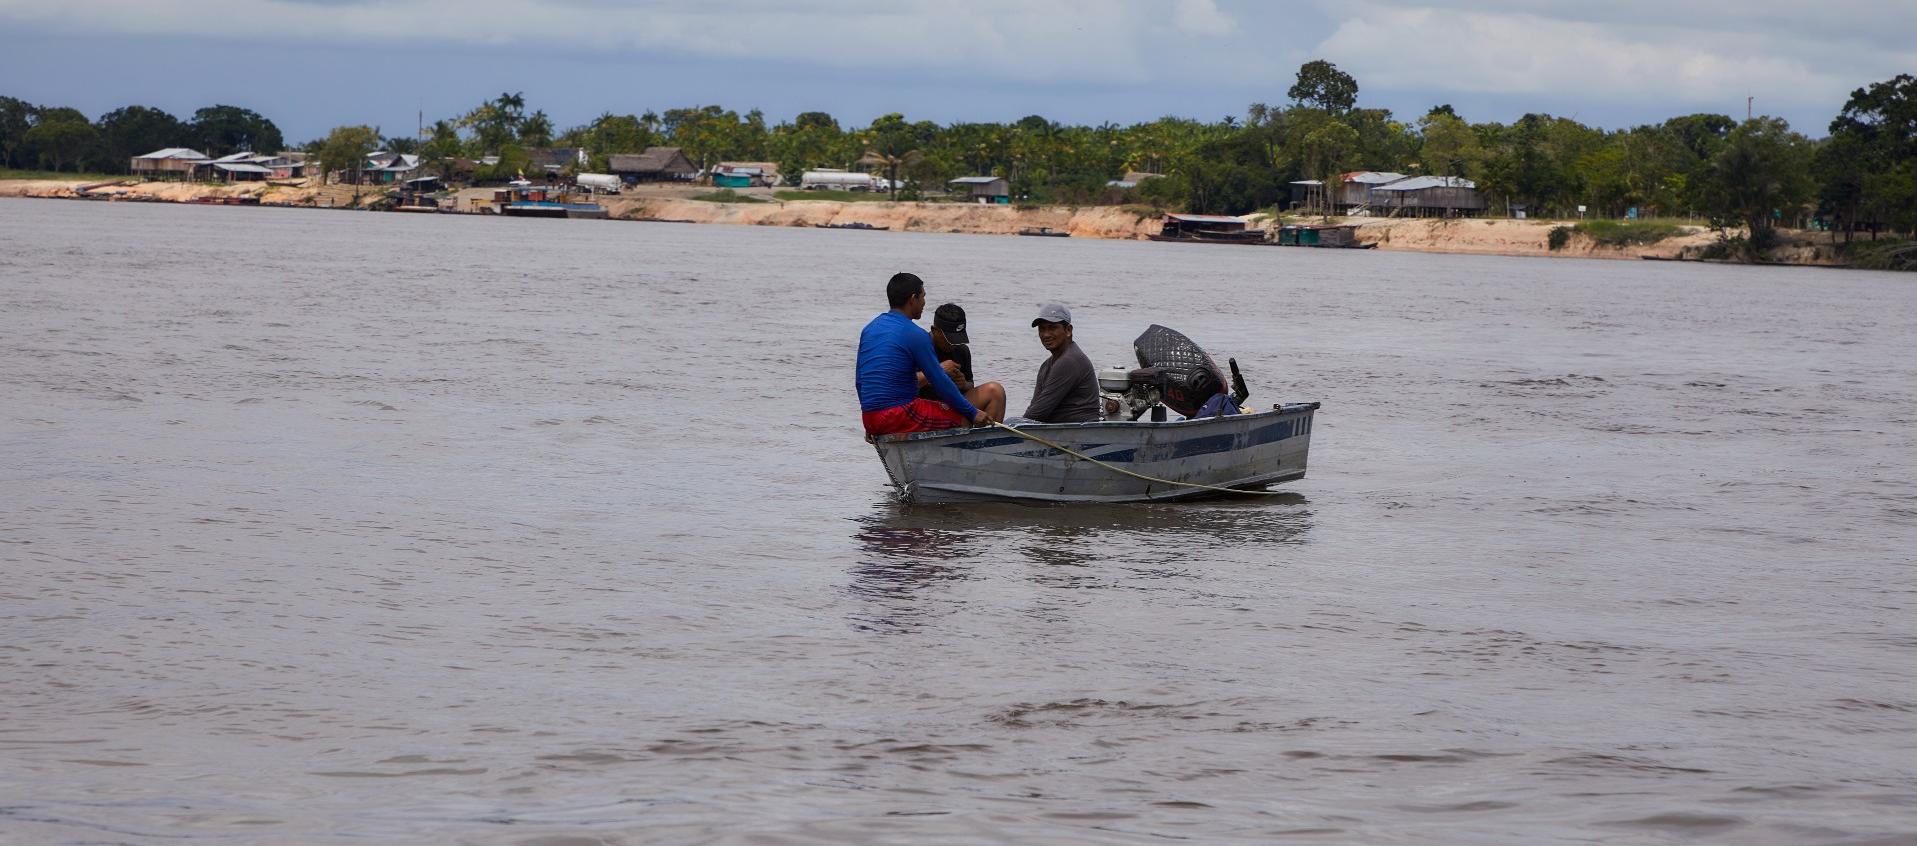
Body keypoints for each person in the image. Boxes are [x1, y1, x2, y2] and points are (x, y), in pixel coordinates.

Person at [856, 272, 993, 436]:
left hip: (869, 417)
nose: (924, 303)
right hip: (898, 414)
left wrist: (871, 422)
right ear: (913, 299)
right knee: (963, 418)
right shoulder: (916, 334)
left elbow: (860, 382)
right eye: (923, 296)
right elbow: (940, 381)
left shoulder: (869, 329)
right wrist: (973, 413)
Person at [917, 302, 1007, 422]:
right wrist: (938, 371)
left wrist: (964, 384)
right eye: (949, 339)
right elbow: (903, 384)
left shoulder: (961, 350)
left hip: (954, 405)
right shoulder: (920, 346)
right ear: (935, 330)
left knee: (995, 391)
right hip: (923, 408)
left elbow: (970, 384)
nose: (953, 345)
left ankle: (986, 438)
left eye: (957, 339)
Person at [1022, 302, 1101, 423]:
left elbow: (1037, 414)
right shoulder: (1046, 365)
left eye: (1052, 328)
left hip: (1077, 431)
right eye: (1042, 329)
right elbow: (1034, 408)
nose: (1046, 334)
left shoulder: (1069, 361)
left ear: (1068, 330)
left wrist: (1012, 426)